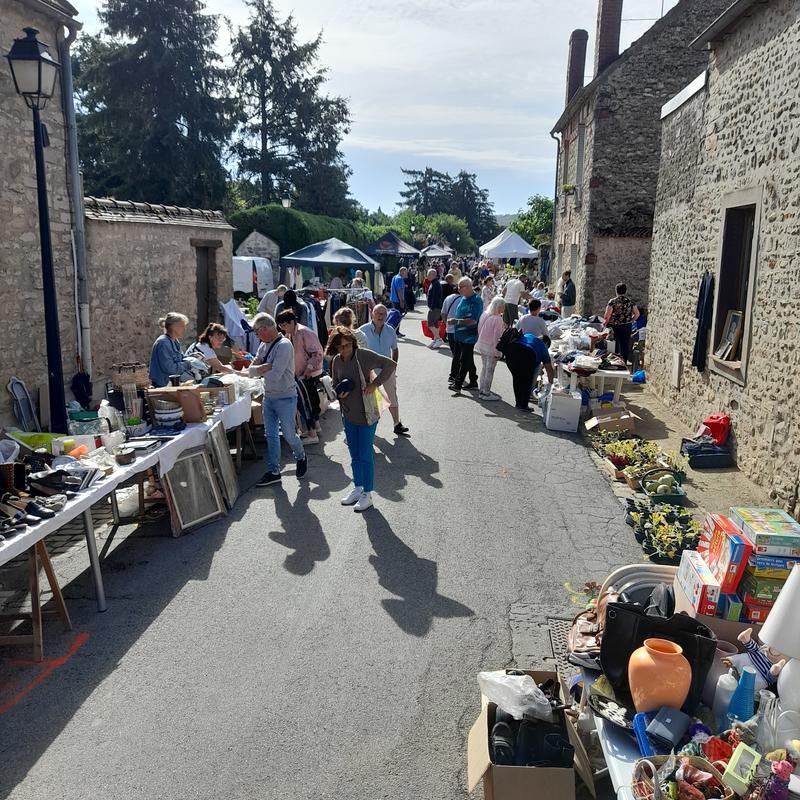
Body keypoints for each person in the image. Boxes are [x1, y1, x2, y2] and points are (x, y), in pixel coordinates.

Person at [327, 326, 396, 512]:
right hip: (348, 414)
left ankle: (368, 493)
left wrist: (375, 384)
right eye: (340, 347)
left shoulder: (362, 355)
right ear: (335, 348)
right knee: (354, 454)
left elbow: (390, 364)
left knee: (365, 454)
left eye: (347, 345)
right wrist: (339, 393)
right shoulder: (336, 361)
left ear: (353, 343)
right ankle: (358, 488)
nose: (345, 349)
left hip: (367, 413)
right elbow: (334, 385)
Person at [250, 313, 307, 486]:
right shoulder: (263, 345)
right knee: (271, 436)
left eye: (256, 332)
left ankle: (301, 456)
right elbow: (251, 370)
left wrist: (261, 369)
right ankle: (274, 471)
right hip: (269, 397)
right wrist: (263, 367)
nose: (256, 336)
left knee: (289, 435)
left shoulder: (284, 345)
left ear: (265, 329)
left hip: (286, 398)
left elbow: (275, 375)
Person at [359, 304, 409, 437]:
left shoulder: (390, 330)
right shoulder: (362, 331)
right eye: (378, 313)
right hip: (369, 372)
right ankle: (368, 428)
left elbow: (395, 349)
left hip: (386, 371)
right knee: (370, 401)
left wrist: (393, 365)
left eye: (383, 314)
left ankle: (397, 424)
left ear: (386, 316)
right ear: (372, 314)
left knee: (392, 396)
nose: (380, 316)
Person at [276, 309, 324, 442]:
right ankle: (316, 428)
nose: (283, 328)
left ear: (292, 322)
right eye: (281, 326)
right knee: (310, 402)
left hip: (307, 374)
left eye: (284, 325)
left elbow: (317, 353)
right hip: (300, 375)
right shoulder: (291, 334)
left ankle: (312, 434)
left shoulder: (304, 332)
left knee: (307, 403)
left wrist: (308, 369)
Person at [505, 333, 555, 411]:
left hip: (511, 352)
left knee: (517, 378)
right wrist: (550, 384)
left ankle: (518, 403)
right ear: (546, 344)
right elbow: (549, 369)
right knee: (527, 381)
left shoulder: (528, 335)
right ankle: (523, 405)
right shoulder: (543, 347)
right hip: (528, 354)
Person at [451, 276, 483, 393]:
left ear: (469, 287)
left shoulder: (476, 300)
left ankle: (458, 384)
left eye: (461, 287)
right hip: (459, 334)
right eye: (458, 287)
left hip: (469, 335)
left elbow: (473, 320)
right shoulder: (463, 298)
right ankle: (473, 380)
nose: (458, 289)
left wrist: (456, 321)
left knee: (464, 360)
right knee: (468, 358)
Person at [476, 296, 506, 401]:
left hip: (482, 344)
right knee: (490, 370)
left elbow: (479, 329)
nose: (504, 309)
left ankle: (482, 390)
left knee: (484, 368)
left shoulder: (485, 314)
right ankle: (486, 393)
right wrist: (497, 352)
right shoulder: (498, 319)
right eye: (503, 307)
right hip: (491, 348)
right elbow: (496, 338)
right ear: (499, 307)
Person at [603, 283, 640, 364]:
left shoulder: (612, 302)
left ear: (616, 291)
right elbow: (637, 314)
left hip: (614, 327)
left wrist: (605, 324)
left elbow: (607, 315)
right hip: (626, 326)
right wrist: (631, 320)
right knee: (625, 345)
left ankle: (614, 362)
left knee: (615, 344)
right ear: (625, 291)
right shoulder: (630, 302)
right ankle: (624, 362)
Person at [149, 312, 189, 387]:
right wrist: (187, 364)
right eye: (182, 326)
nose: (184, 329)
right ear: (174, 327)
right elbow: (169, 368)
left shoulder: (174, 341)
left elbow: (181, 359)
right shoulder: (163, 343)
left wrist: (193, 358)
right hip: (162, 386)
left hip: (171, 384)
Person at [426, 268, 445, 349]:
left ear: (432, 275)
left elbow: (435, 297)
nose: (427, 276)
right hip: (436, 307)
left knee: (430, 324)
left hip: (435, 307)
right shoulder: (434, 283)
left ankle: (438, 339)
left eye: (428, 274)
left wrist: (432, 307)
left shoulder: (435, 284)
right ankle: (435, 339)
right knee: (435, 324)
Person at [389, 267, 407, 335]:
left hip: (393, 299)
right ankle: (396, 332)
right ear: (402, 272)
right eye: (406, 272)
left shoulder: (395, 277)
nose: (406, 274)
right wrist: (401, 301)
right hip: (397, 300)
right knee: (398, 316)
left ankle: (395, 331)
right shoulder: (399, 279)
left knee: (395, 316)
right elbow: (399, 291)